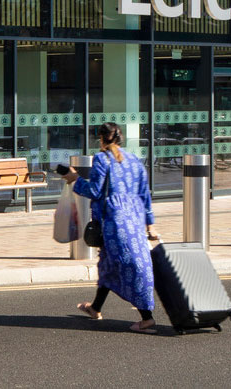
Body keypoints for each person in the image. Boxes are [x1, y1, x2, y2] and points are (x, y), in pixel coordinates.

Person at [56, 122, 158, 331]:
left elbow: (94, 191)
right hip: (135, 220)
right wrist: (150, 225)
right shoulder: (134, 160)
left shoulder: (103, 158)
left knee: (131, 266)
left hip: (115, 222)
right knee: (108, 265)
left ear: (101, 139)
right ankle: (95, 308)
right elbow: (145, 195)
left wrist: (75, 179)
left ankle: (147, 318)